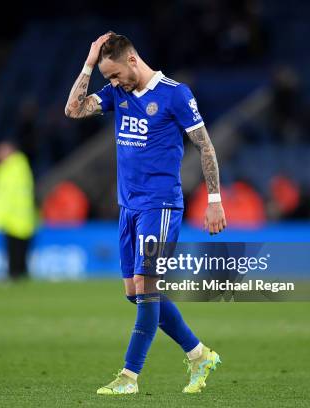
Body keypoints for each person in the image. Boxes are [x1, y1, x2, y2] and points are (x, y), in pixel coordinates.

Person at [64, 32, 227, 395]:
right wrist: (90, 64)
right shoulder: (117, 93)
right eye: (107, 78)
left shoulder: (175, 94)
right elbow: (73, 110)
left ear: (132, 60)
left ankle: (129, 376)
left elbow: (205, 145)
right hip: (129, 207)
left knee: (147, 286)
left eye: (115, 75)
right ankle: (199, 354)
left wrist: (214, 199)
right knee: (133, 292)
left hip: (161, 205)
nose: (113, 83)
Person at [0, 141, 36, 280]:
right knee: (20, 250)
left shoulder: (8, 169)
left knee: (14, 249)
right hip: (23, 217)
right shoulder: (21, 167)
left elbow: (2, 196)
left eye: (0, 151)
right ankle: (20, 274)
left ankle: (14, 275)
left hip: (12, 217)